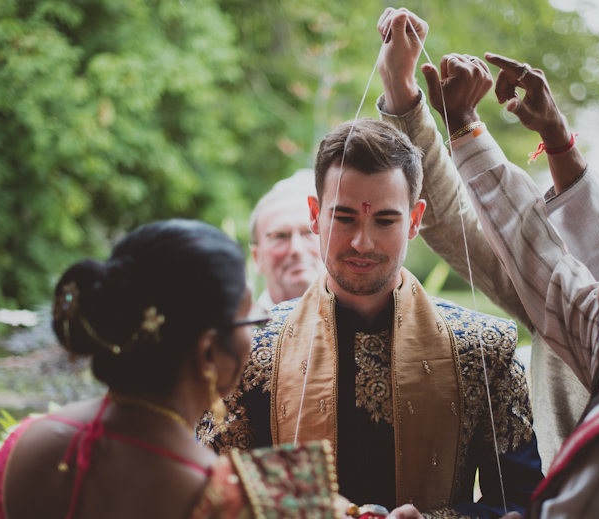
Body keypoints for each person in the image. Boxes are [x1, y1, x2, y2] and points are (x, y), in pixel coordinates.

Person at [373, 7, 599, 469]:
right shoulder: (559, 290)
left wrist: (467, 122)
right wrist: (402, 95)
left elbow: (531, 238)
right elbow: (452, 222)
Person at [198, 119, 544, 518]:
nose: (363, 242)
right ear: (315, 215)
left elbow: (524, 503)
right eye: (344, 218)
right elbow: (215, 497)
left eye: (384, 220)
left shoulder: (484, 347)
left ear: (414, 220)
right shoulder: (250, 347)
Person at [0, 220, 343, 519]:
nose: (254, 339)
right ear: (208, 350)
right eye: (252, 321)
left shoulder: (31, 444)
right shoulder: (231, 500)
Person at [248, 169, 324, 313]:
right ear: (257, 257)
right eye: (280, 236)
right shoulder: (243, 333)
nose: (297, 249)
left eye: (309, 232)